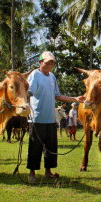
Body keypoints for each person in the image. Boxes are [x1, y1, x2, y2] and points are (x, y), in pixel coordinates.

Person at [27, 51, 84, 183]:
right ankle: (32, 174)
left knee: (50, 147)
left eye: (52, 63)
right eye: (47, 63)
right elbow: (28, 93)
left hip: (51, 119)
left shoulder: (52, 77)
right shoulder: (35, 75)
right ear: (40, 62)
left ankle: (48, 172)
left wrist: (75, 98)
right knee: (35, 146)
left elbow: (58, 96)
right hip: (37, 118)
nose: (49, 65)